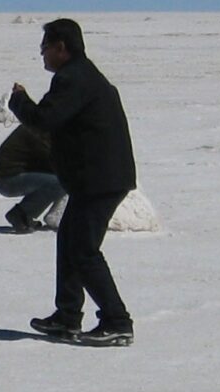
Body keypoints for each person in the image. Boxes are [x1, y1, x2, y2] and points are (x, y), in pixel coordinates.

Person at [8, 18, 137, 347]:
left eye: (45, 47)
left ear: (61, 48)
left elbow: (44, 120)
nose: (42, 55)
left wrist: (19, 101)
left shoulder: (73, 79)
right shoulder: (80, 75)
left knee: (83, 249)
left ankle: (117, 321)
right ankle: (67, 316)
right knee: (69, 240)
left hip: (100, 180)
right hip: (95, 177)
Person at [0, 119, 62, 232]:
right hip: (7, 179)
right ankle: (21, 214)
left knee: (66, 178)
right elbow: (54, 162)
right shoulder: (39, 131)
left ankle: (31, 215)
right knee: (61, 182)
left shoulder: (43, 126)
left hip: (7, 175)